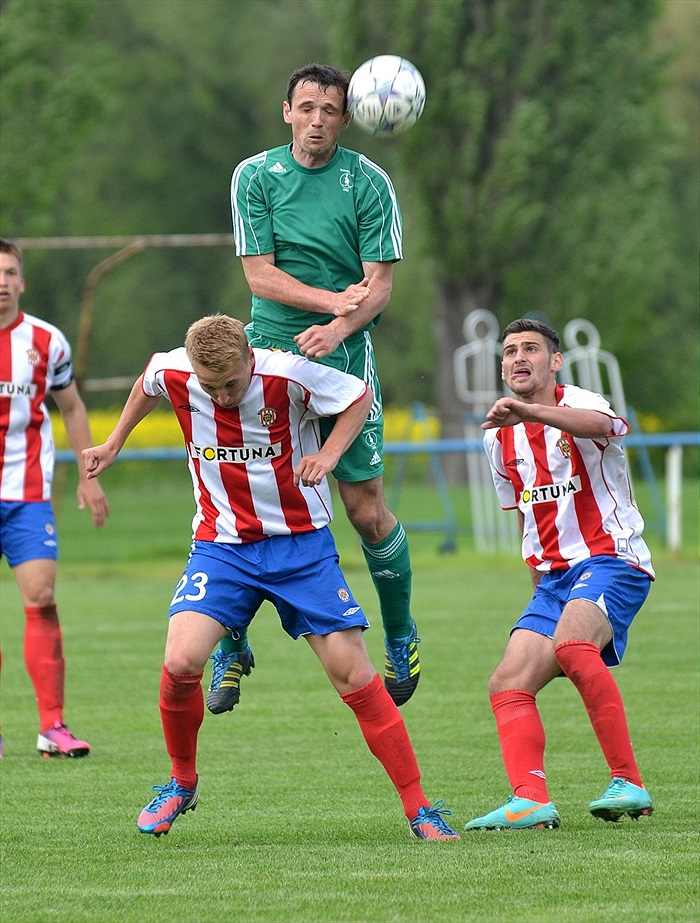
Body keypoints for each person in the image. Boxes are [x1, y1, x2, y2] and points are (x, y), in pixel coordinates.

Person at [82, 314, 460, 841]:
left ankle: (420, 809)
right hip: (222, 548)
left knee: (353, 674)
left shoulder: (289, 376)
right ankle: (180, 782)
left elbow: (359, 397)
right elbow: (149, 379)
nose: (220, 396)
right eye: (208, 387)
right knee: (179, 660)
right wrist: (114, 442)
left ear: (250, 360)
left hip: (301, 548)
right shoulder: (177, 372)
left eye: (232, 384)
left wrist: (328, 455)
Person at [218, 62, 419, 715]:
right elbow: (260, 277)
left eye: (329, 110)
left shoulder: (368, 183)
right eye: (306, 107)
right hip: (268, 355)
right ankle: (230, 641)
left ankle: (401, 633)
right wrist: (332, 303)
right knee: (246, 502)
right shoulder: (254, 175)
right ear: (287, 111)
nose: (316, 120)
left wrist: (340, 326)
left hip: (345, 357)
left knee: (363, 508)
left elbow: (379, 286)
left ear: (347, 116)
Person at [465, 318, 654, 831]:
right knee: (507, 682)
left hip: (611, 560)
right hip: (553, 579)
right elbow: (530, 520)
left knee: (573, 647)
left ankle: (628, 780)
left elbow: (609, 428)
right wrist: (536, 594)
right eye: (509, 352)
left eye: (530, 349)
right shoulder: (497, 440)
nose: (518, 358)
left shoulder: (583, 404)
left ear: (555, 362)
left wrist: (531, 412)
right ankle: (529, 799)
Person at [0, 237, 109, 759]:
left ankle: (53, 726)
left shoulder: (47, 342)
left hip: (26, 496)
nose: (1, 281)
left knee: (40, 597)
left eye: (9, 272)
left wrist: (88, 475)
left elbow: (70, 406)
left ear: (22, 280)